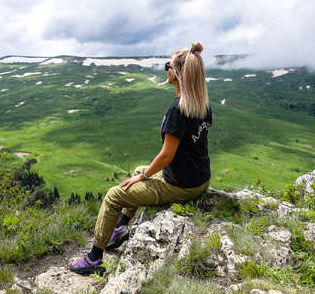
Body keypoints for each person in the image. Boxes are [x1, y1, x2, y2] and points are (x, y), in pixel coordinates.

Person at [68, 42, 212, 275]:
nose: (166, 69)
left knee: (114, 196)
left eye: (168, 65)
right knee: (137, 170)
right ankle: (121, 228)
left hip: (181, 186)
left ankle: (93, 259)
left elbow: (166, 156)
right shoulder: (203, 105)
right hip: (200, 179)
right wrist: (141, 174)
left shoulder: (178, 110)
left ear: (176, 74)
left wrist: (144, 177)